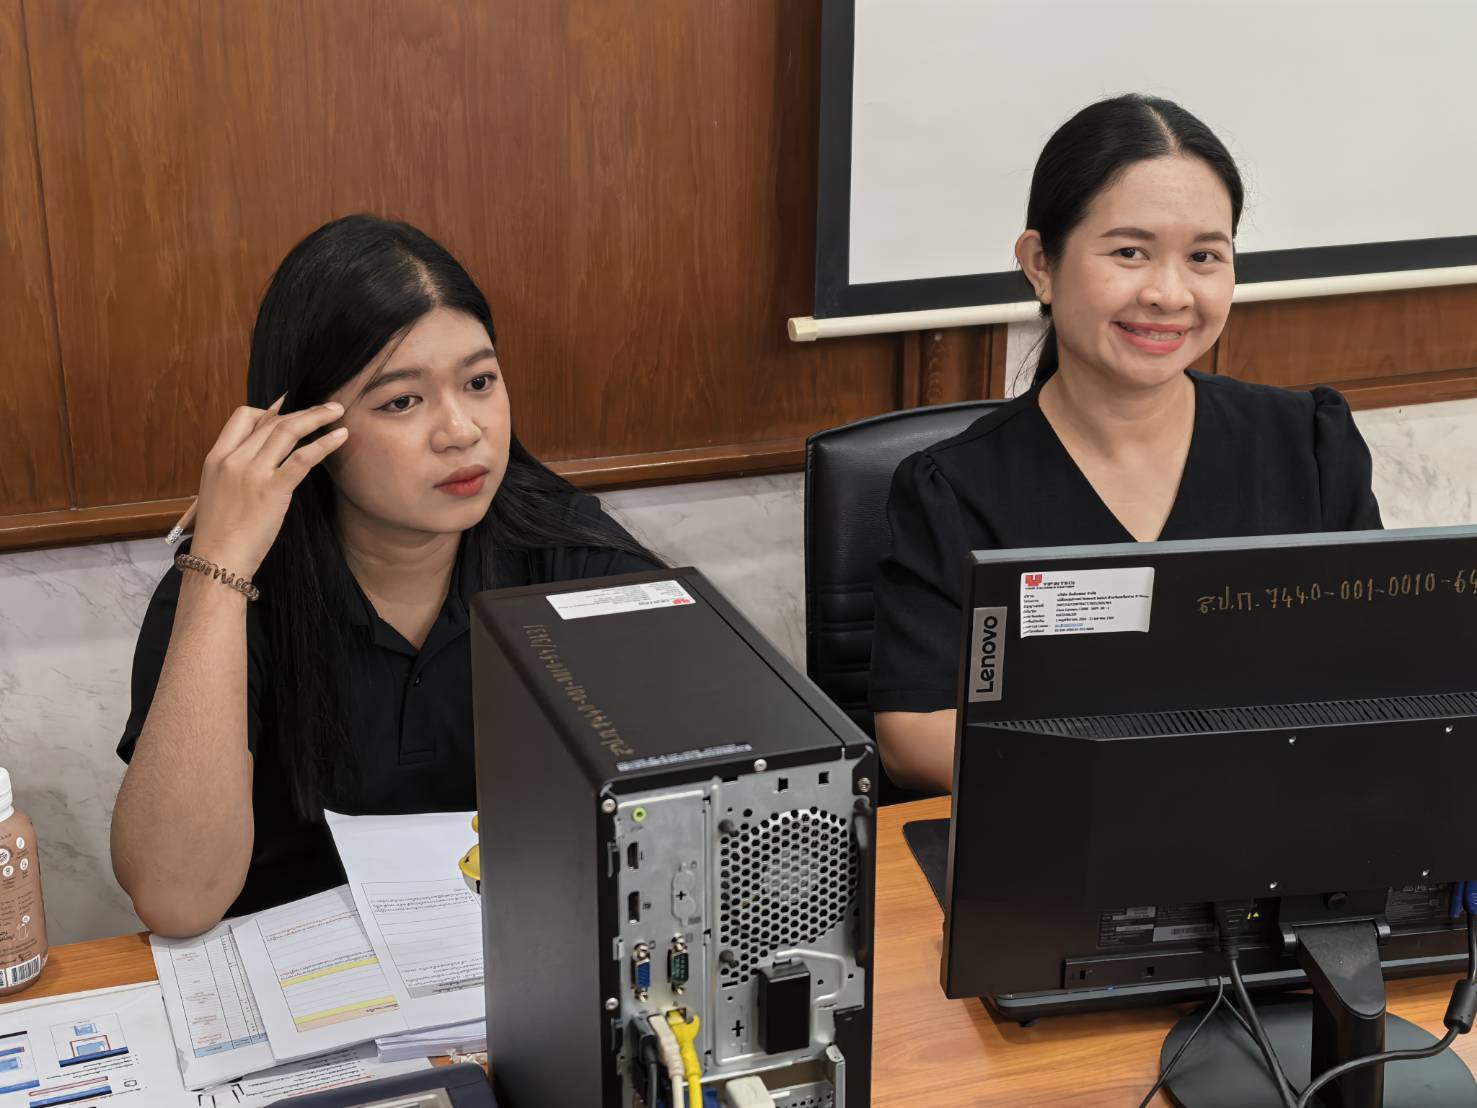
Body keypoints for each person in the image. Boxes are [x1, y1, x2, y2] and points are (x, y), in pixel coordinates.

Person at [112, 215, 658, 936]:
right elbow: (175, 900)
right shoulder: (226, 591)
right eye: (402, 400)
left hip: (517, 972)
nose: (461, 430)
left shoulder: (577, 561)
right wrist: (221, 568)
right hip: (300, 987)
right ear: (305, 428)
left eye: (480, 381)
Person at [868, 95, 1382, 795]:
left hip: (1272, 838)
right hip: (1065, 838)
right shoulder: (954, 487)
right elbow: (913, 731)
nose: (1170, 294)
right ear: (1040, 264)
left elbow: (1374, 669)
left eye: (1204, 255)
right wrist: (1143, 779)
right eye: (1129, 252)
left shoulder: (1309, 445)